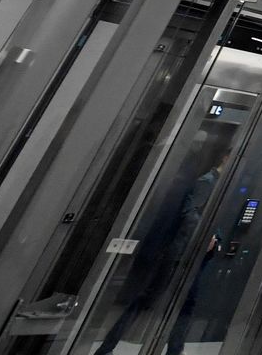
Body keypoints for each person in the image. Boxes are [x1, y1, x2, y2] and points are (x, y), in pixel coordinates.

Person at [93, 141, 232, 355]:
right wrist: (207, 237)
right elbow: (191, 213)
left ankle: (172, 350)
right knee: (154, 299)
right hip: (182, 253)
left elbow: (212, 219)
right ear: (225, 158)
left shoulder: (220, 186)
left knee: (183, 304)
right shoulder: (207, 182)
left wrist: (215, 238)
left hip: (193, 255)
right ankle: (109, 347)